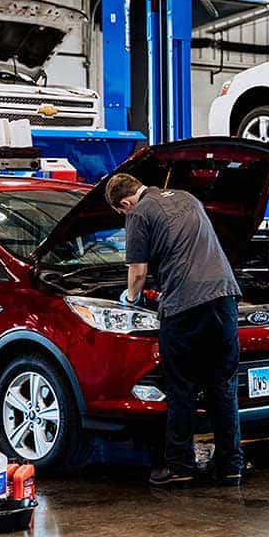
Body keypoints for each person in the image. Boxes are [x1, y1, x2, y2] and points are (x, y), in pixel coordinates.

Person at [106, 173, 244, 488]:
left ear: (125, 203)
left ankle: (181, 466)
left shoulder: (139, 212)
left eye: (122, 213)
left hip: (184, 306)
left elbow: (138, 272)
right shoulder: (186, 196)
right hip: (224, 299)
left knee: (180, 387)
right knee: (223, 386)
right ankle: (230, 465)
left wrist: (131, 298)